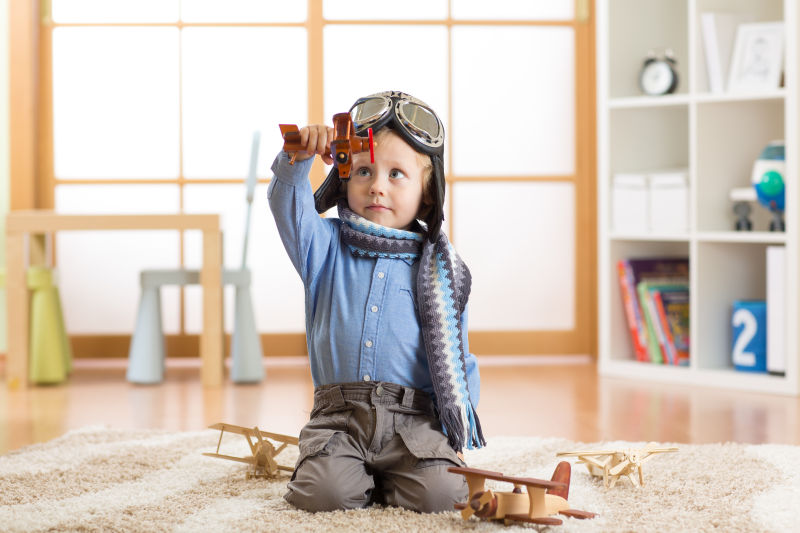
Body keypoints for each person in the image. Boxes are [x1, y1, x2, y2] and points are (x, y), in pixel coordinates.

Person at [268, 90, 485, 514]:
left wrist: (454, 436)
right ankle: (353, 475)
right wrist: (298, 158)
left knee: (442, 497)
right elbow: (285, 206)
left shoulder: (442, 270)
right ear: (345, 177)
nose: (377, 187)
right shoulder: (324, 246)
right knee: (324, 495)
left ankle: (401, 476)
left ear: (427, 193)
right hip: (339, 420)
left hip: (414, 423)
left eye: (396, 174)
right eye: (364, 171)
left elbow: (460, 359)